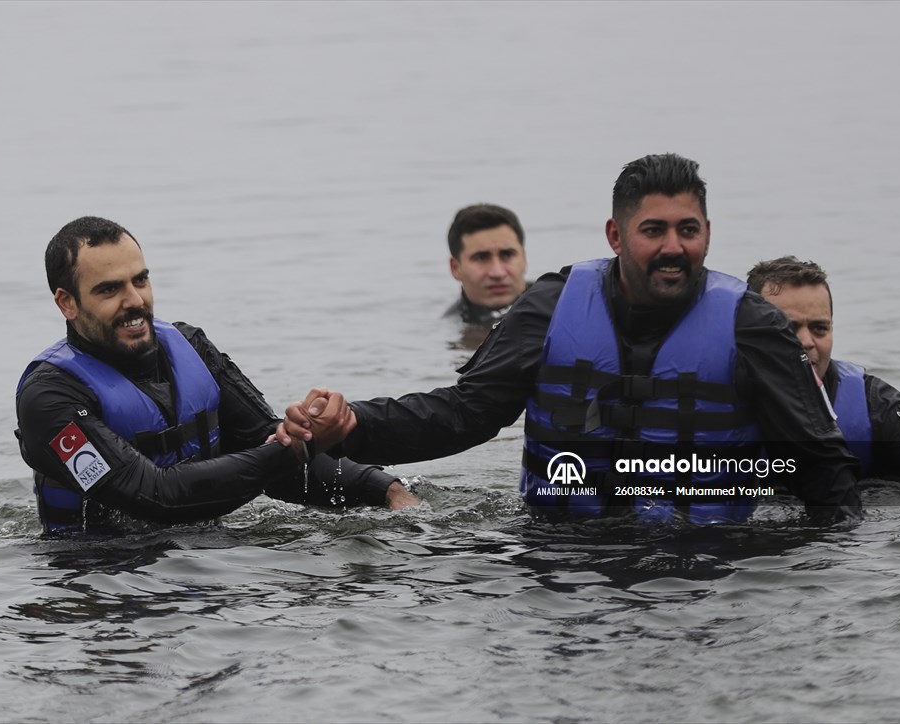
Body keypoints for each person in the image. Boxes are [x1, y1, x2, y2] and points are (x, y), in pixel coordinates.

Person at [280, 153, 863, 524]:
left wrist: (816, 585)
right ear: (615, 234)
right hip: (561, 556)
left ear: (707, 234)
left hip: (710, 562)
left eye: (687, 230)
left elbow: (822, 466)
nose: (672, 246)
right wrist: (354, 423)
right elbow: (465, 414)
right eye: (652, 230)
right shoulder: (551, 309)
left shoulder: (752, 325)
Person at [15, 216, 418, 535]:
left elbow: (268, 450)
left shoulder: (191, 347)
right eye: (109, 290)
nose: (135, 301)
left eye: (141, 280)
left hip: (205, 561)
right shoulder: (49, 398)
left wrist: (380, 488)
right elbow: (156, 495)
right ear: (67, 303)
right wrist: (296, 448)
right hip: (101, 577)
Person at [746, 255, 900, 482]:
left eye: (819, 328)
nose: (808, 342)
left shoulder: (875, 405)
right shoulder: (711, 403)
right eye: (788, 328)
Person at [443, 203, 531, 327]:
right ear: (455, 268)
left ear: (524, 258)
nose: (498, 273)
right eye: (481, 258)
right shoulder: (451, 329)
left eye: (507, 255)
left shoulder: (558, 301)